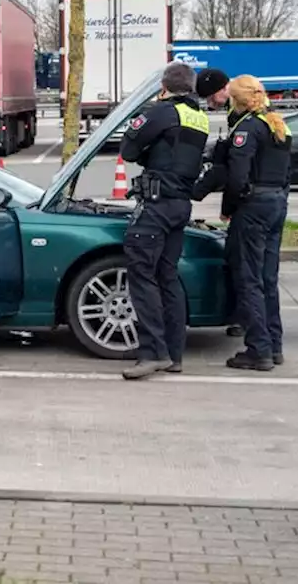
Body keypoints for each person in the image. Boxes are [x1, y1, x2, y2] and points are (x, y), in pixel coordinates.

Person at [118, 62, 209, 380]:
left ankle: (151, 353)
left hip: (155, 206)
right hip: (180, 205)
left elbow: (128, 149)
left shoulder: (161, 111)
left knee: (142, 277)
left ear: (165, 85)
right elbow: (175, 153)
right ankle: (173, 354)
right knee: (168, 278)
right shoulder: (198, 117)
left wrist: (145, 147)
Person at [194, 75, 291, 371]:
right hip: (276, 203)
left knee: (248, 278)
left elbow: (237, 178)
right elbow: (287, 171)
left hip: (254, 208)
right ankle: (274, 346)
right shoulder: (277, 123)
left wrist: (233, 205)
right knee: (268, 279)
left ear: (237, 99)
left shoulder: (247, 128)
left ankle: (258, 349)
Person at [193, 67, 245, 339]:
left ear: (222, 88)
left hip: (249, 204)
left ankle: (245, 321)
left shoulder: (241, 116)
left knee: (244, 264)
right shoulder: (244, 111)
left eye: (210, 97)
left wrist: (225, 207)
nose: (211, 103)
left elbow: (232, 170)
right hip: (261, 200)